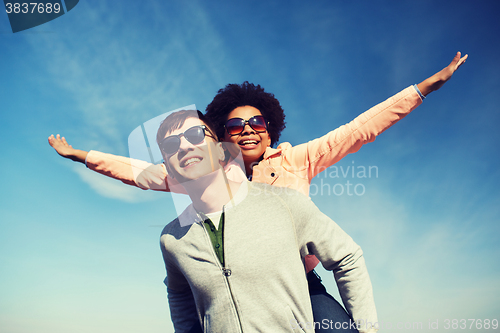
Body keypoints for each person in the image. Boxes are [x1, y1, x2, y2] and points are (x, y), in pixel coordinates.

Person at [48, 52, 467, 332]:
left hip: (302, 287)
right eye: (234, 125)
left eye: (257, 123)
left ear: (271, 128)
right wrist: (81, 155)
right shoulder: (205, 174)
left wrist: (423, 88)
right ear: (221, 134)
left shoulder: (297, 159)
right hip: (238, 295)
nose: (247, 130)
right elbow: (141, 171)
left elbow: (358, 130)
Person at [157, 109, 377, 333]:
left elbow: (347, 256)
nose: (184, 146)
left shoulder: (286, 203)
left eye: (196, 135)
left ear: (221, 151)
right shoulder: (171, 238)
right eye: (170, 145)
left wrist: (367, 329)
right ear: (168, 167)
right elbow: (179, 295)